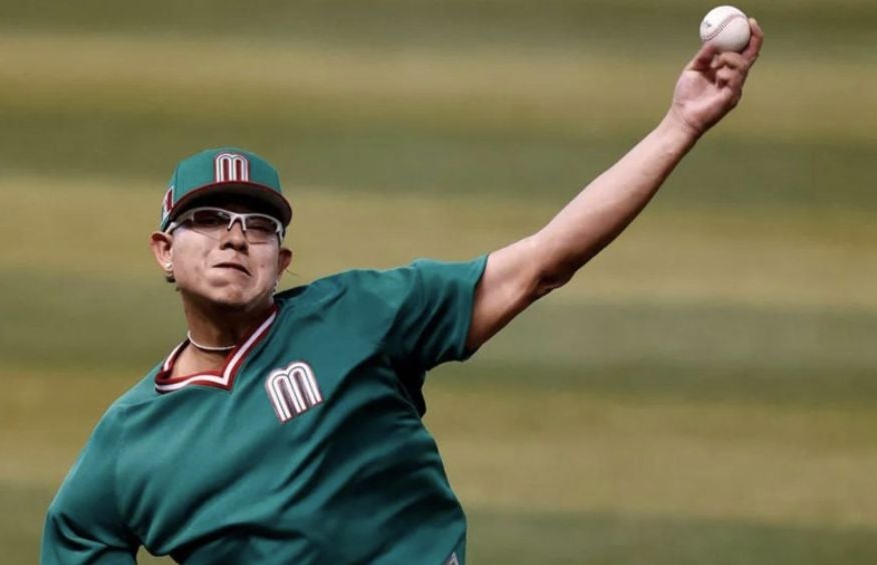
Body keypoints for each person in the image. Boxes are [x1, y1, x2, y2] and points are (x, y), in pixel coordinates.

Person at [42, 23, 763, 565]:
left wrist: (682, 123)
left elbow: (543, 262)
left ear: (282, 257)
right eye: (206, 219)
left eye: (257, 225)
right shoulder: (128, 440)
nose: (234, 236)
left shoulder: (363, 315)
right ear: (163, 251)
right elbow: (80, 537)